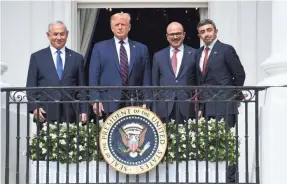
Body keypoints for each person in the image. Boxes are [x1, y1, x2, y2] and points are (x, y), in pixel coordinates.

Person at [195, 19, 246, 183]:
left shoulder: (226, 50)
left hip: (225, 105)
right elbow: (200, 82)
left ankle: (231, 180)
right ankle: (214, 178)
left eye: (209, 30)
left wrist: (234, 96)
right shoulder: (198, 53)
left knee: (227, 145)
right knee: (211, 145)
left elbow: (239, 74)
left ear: (216, 31)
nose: (206, 34)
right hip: (207, 106)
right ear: (199, 35)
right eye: (202, 31)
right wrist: (201, 105)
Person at [89, 12, 151, 118]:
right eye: (117, 25)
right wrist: (95, 100)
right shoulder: (100, 48)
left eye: (123, 24)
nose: (120, 27)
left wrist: (146, 101)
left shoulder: (141, 48)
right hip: (107, 103)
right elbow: (94, 76)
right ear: (112, 28)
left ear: (129, 27)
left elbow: (146, 78)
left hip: (134, 103)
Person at [26, 21, 87, 125]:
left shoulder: (77, 58)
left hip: (71, 113)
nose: (59, 37)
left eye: (62, 34)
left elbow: (82, 87)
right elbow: (31, 86)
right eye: (55, 34)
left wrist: (84, 110)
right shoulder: (37, 57)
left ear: (67, 35)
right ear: (48, 35)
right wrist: (35, 107)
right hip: (45, 112)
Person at [152, 22, 197, 124]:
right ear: (167, 37)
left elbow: (199, 82)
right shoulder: (158, 56)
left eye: (178, 33)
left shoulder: (195, 54)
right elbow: (155, 85)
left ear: (184, 35)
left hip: (188, 107)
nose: (175, 37)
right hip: (165, 108)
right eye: (172, 34)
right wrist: (154, 109)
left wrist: (199, 107)